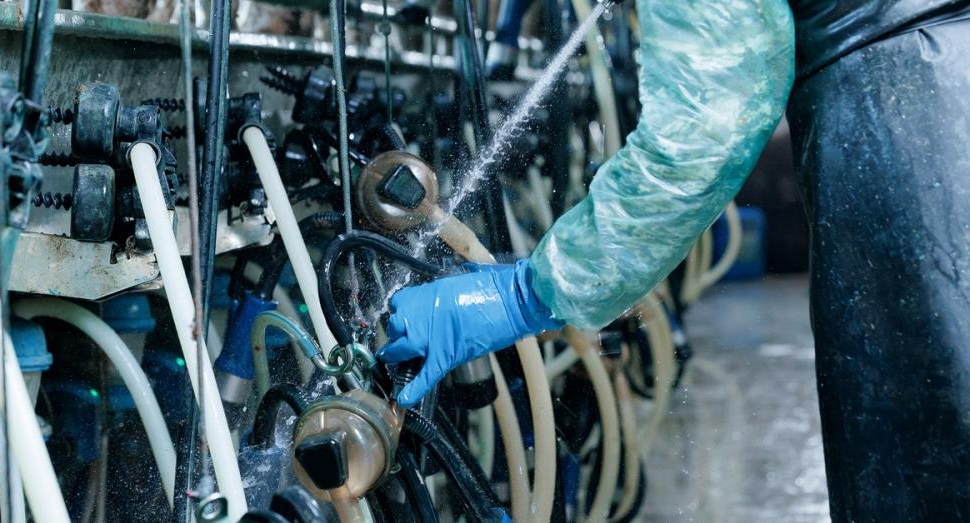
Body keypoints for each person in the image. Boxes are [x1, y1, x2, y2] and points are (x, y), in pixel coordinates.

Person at [379, 0, 970, 519]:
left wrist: (528, 293)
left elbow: (701, 137)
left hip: (915, 137)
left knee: (929, 460)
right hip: (932, 95)